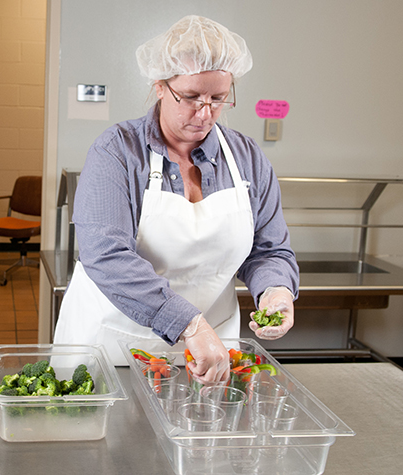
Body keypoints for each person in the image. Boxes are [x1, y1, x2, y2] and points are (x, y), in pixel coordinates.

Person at [54, 15, 297, 385]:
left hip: (210, 353)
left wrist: (276, 290)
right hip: (113, 346)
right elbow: (106, 255)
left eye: (218, 99)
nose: (205, 114)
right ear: (160, 87)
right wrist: (187, 323)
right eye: (191, 97)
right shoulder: (118, 151)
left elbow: (269, 251)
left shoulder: (246, 158)